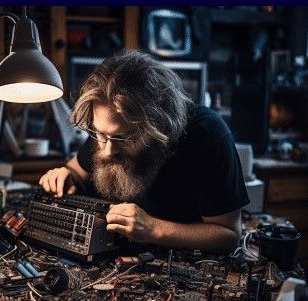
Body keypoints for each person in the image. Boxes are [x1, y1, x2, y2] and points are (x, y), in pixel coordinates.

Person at [39, 50, 249, 253]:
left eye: (124, 138)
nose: (109, 150)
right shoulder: (108, 132)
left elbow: (228, 235)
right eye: (100, 135)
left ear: (157, 125)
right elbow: (75, 169)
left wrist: (153, 229)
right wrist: (65, 175)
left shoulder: (206, 134)